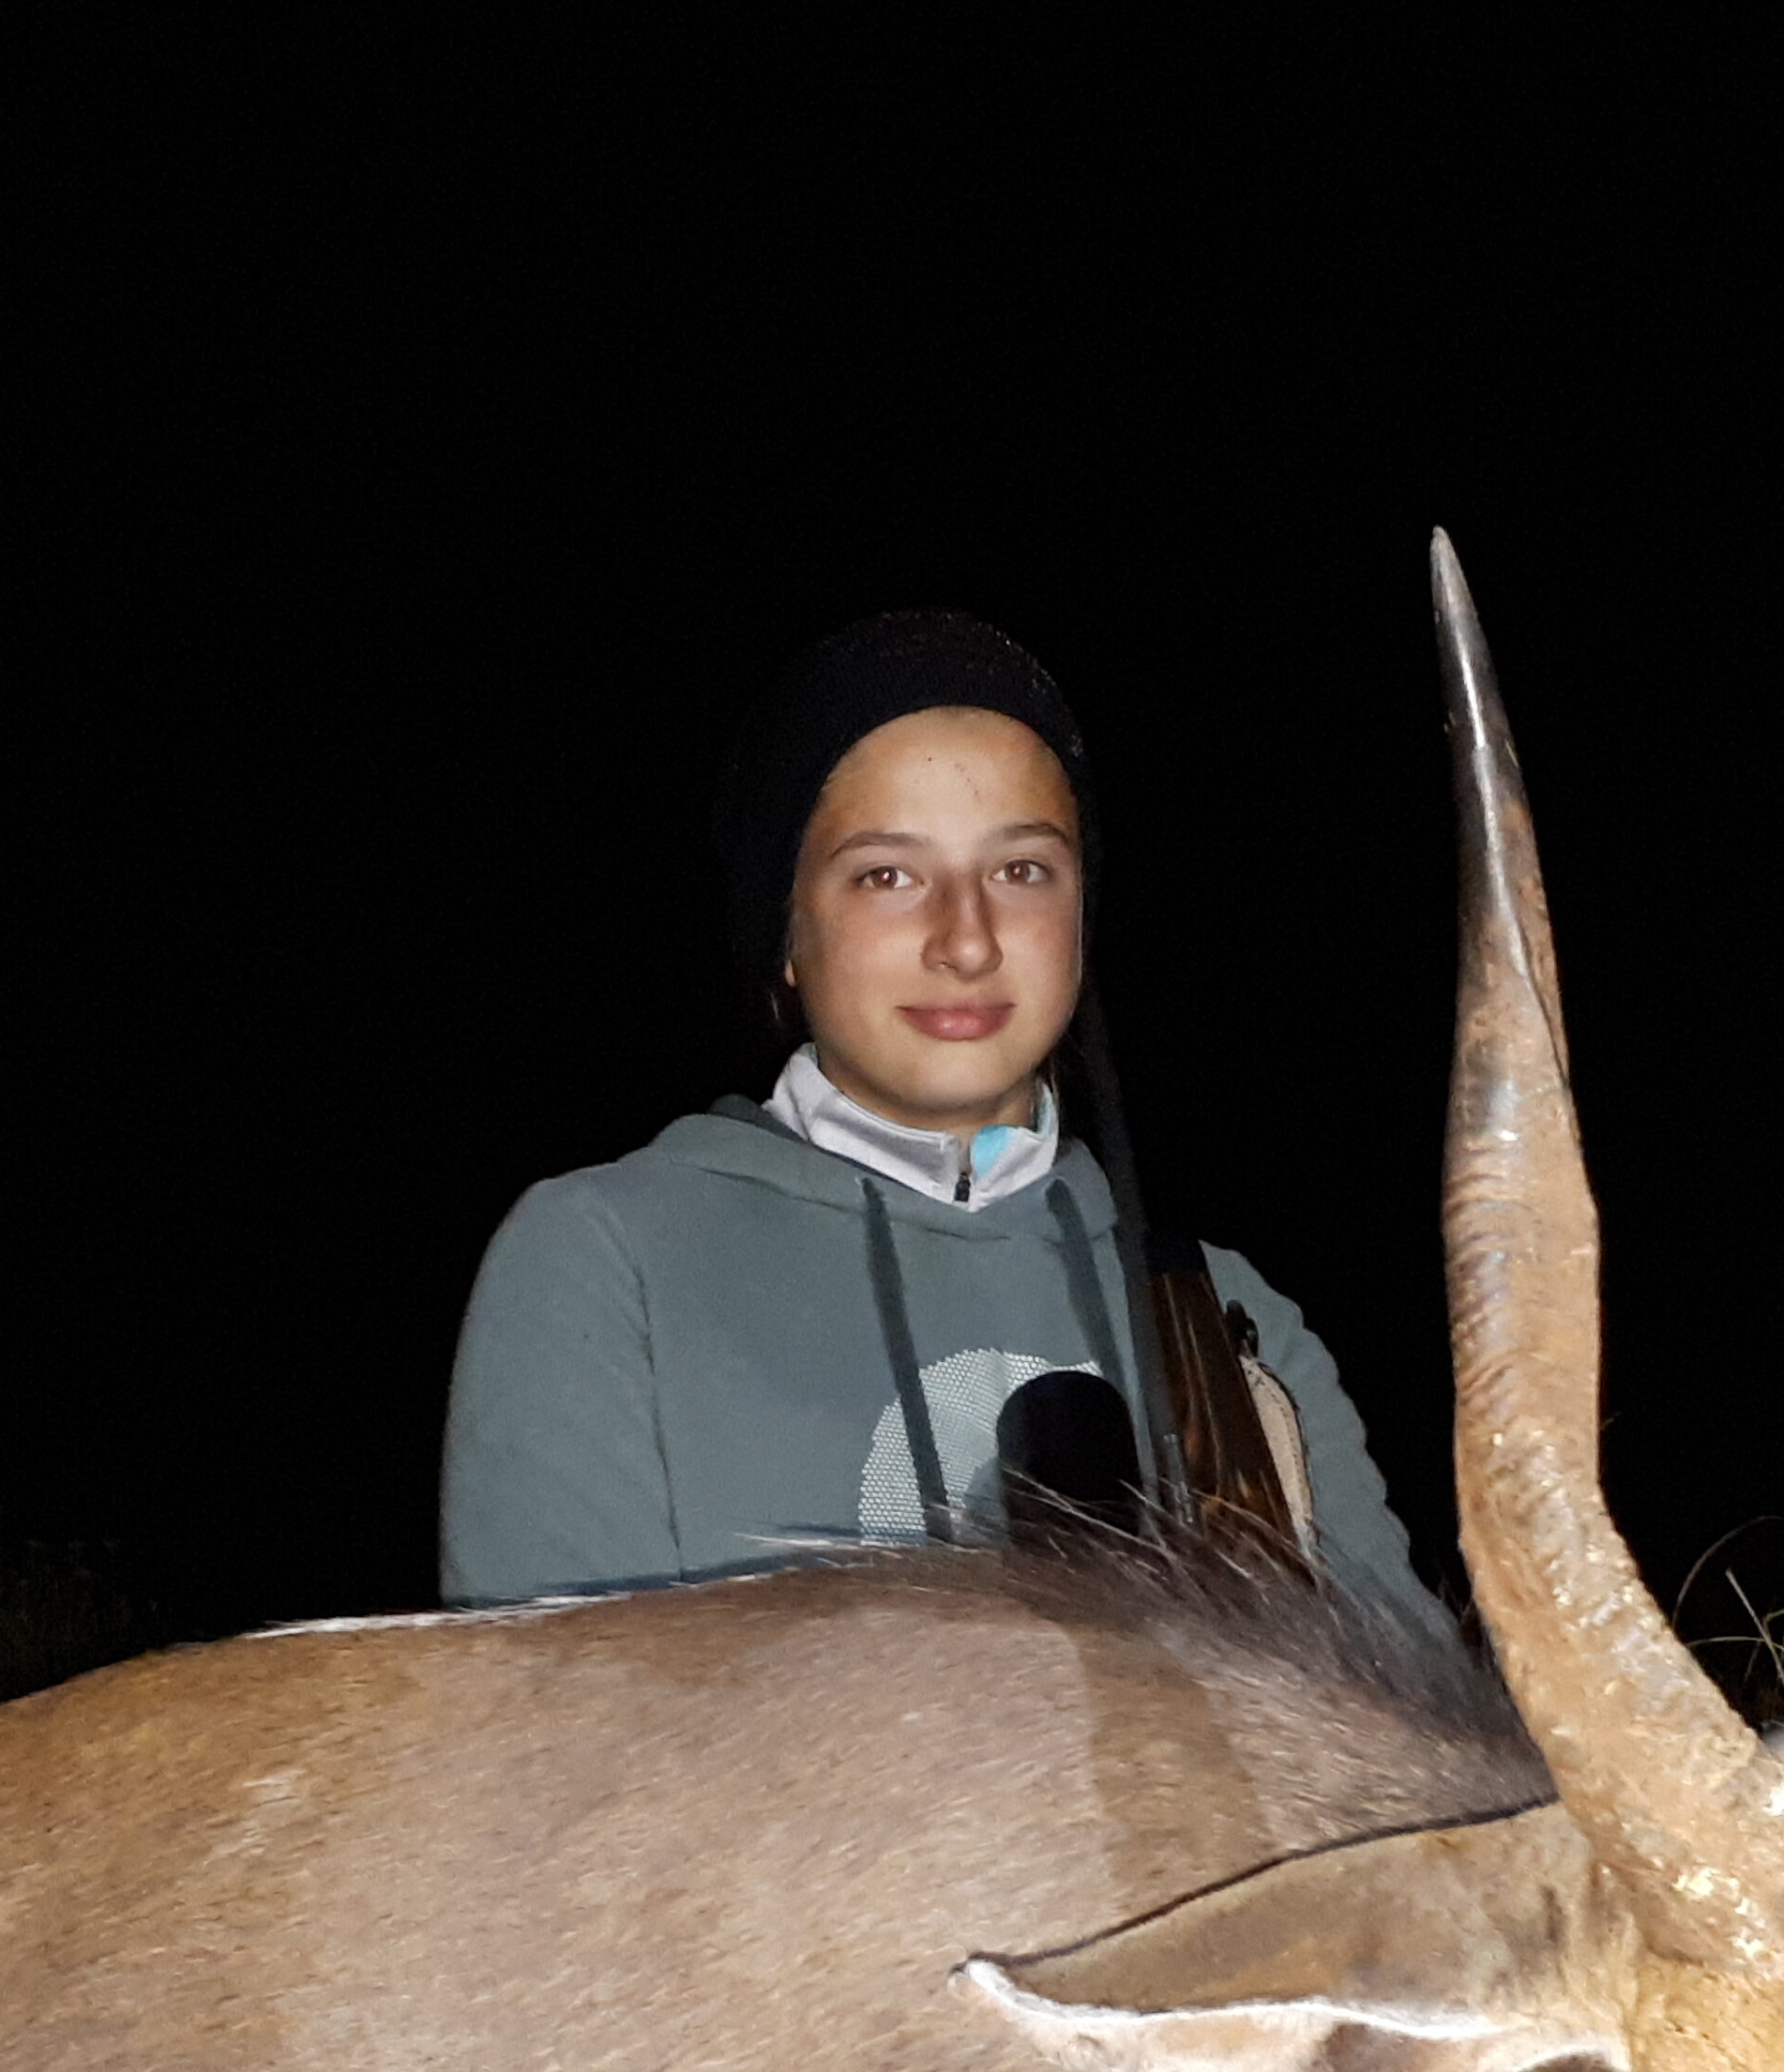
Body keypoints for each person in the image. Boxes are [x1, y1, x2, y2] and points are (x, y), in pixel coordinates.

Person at [438, 611, 1440, 1631]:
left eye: (1021, 871)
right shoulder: (607, 1262)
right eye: (887, 875)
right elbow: (554, 1759)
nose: (966, 941)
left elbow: (1411, 1740)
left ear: (1082, 921)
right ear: (786, 932)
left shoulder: (1231, 1325)